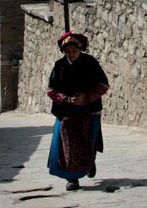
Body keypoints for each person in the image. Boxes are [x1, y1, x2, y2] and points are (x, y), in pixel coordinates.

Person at [46, 31, 109, 191]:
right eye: (68, 52)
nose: (71, 54)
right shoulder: (59, 66)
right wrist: (66, 99)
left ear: (80, 49)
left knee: (88, 142)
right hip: (67, 112)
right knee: (69, 145)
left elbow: (103, 85)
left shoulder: (90, 63)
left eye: (74, 51)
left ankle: (89, 164)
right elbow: (51, 90)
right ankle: (72, 178)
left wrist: (86, 97)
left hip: (89, 111)